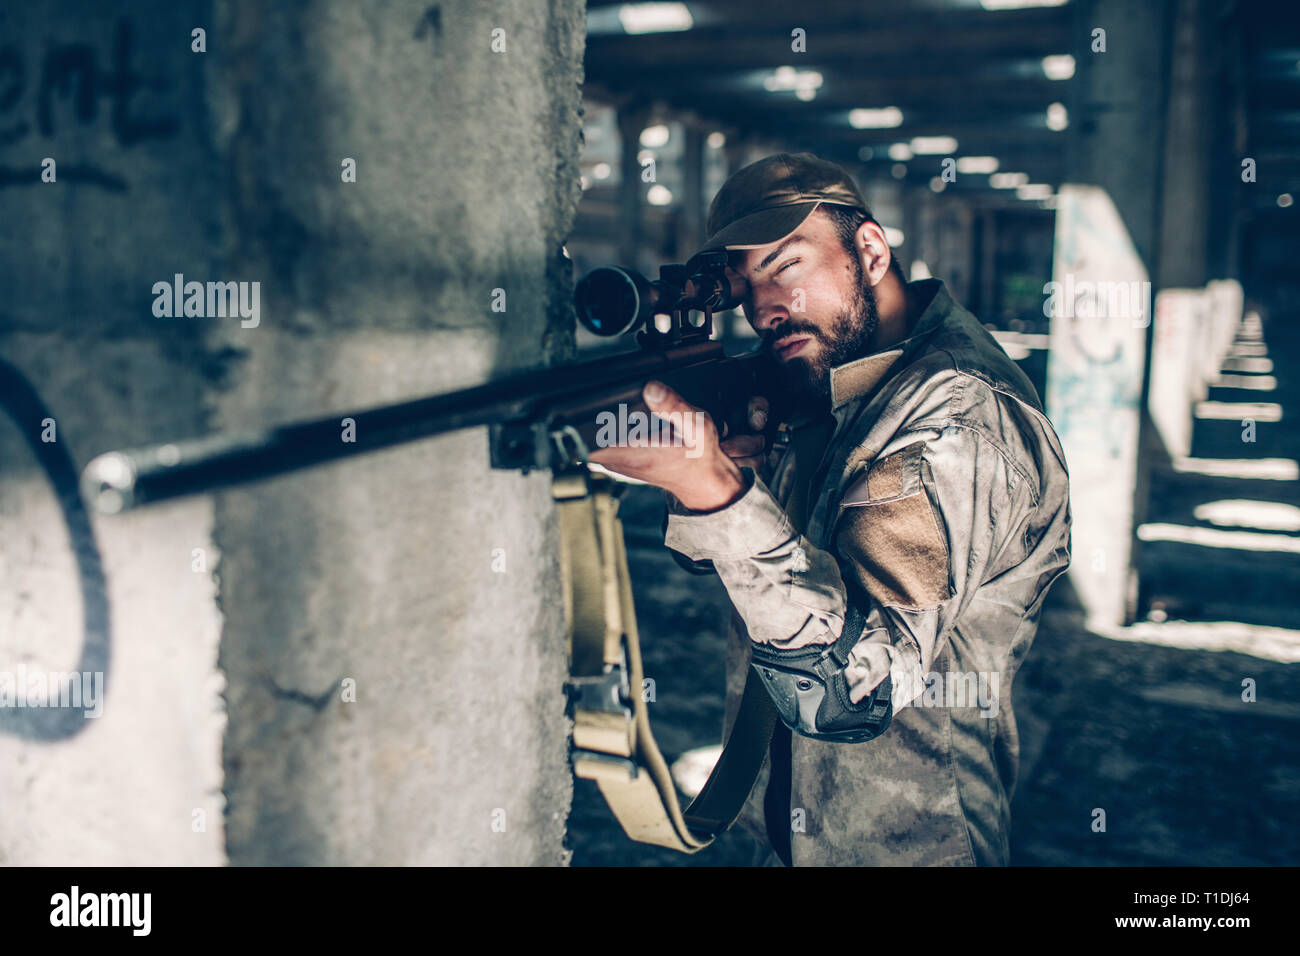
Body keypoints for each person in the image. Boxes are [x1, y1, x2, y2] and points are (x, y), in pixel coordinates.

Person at [589, 152, 1071, 866]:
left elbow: (849, 690)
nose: (763, 308)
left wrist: (715, 490)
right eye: (744, 284)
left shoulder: (957, 421)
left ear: (870, 251)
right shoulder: (824, 380)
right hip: (788, 831)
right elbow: (723, 567)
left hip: (910, 845)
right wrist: (739, 473)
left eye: (784, 267)